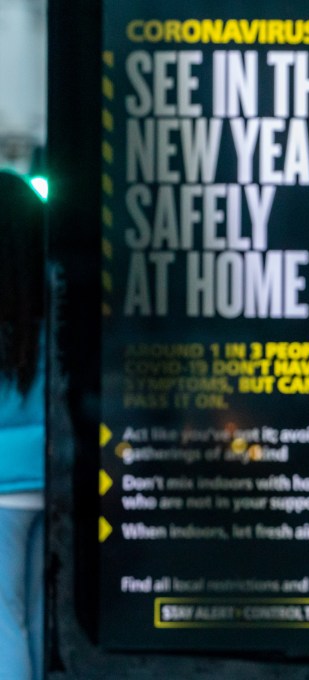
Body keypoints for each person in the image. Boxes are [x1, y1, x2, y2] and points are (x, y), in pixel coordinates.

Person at [0, 170, 46, 680]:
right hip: (45, 482)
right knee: (32, 616)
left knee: (3, 624)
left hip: (0, 490)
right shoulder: (48, 306)